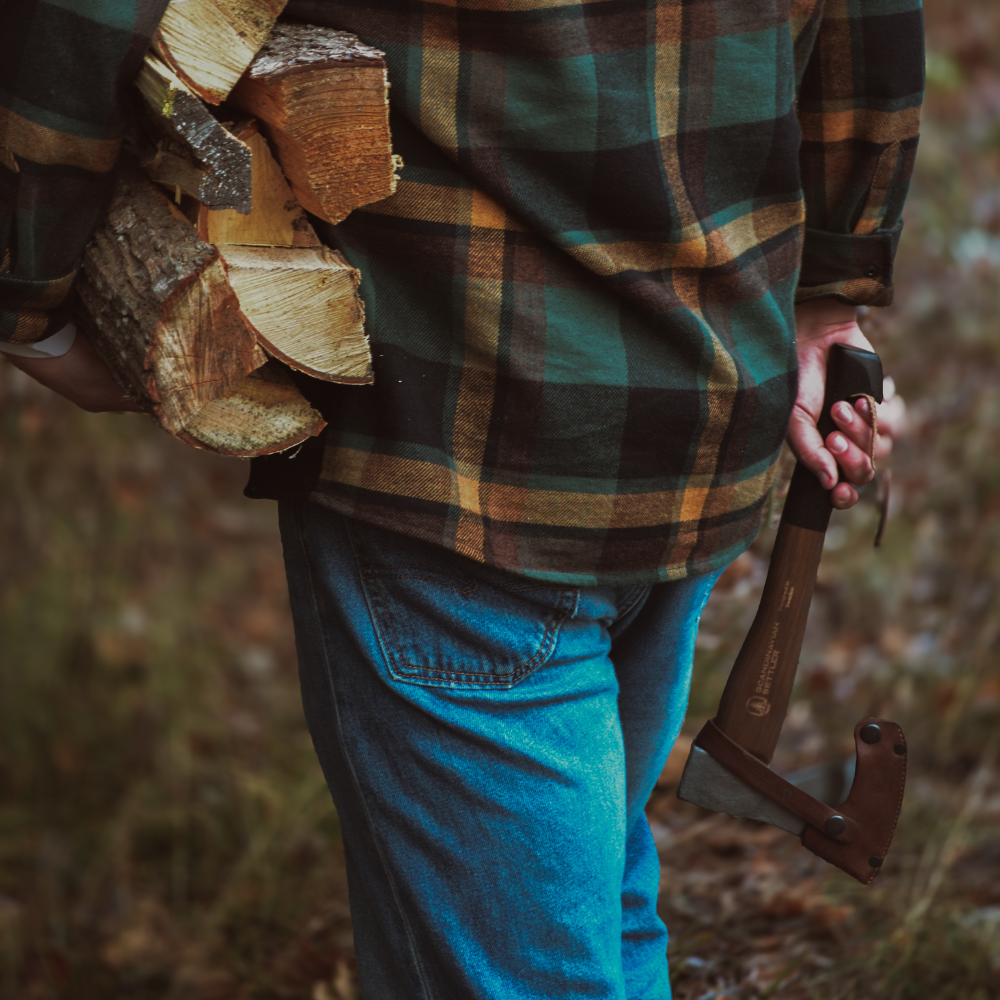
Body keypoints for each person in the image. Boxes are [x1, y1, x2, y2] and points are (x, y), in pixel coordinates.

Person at [0, 0, 923, 995]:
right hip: (699, 407)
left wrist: (33, 284)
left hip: (459, 444)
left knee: (540, 962)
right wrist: (830, 281)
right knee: (594, 910)